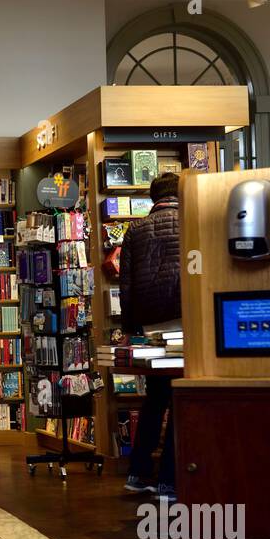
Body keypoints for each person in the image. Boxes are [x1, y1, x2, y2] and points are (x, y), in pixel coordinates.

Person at [118, 171, 181, 501]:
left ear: (152, 197)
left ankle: (138, 472)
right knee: (181, 398)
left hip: (149, 325)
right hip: (185, 321)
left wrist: (131, 330)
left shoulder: (135, 229)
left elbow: (125, 286)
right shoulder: (191, 221)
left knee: (155, 397)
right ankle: (169, 481)